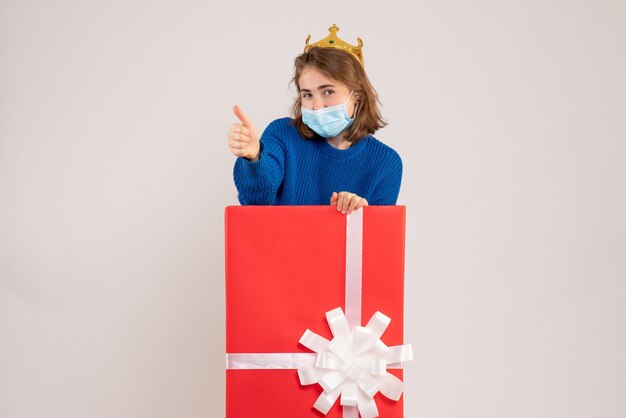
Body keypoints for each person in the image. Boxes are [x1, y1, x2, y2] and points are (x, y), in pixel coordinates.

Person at [226, 24, 402, 215]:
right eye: (308, 95)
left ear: (357, 94)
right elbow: (256, 204)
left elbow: (378, 240)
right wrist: (255, 158)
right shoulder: (281, 134)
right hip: (281, 245)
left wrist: (358, 214)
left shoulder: (386, 163)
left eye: (328, 91)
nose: (317, 106)